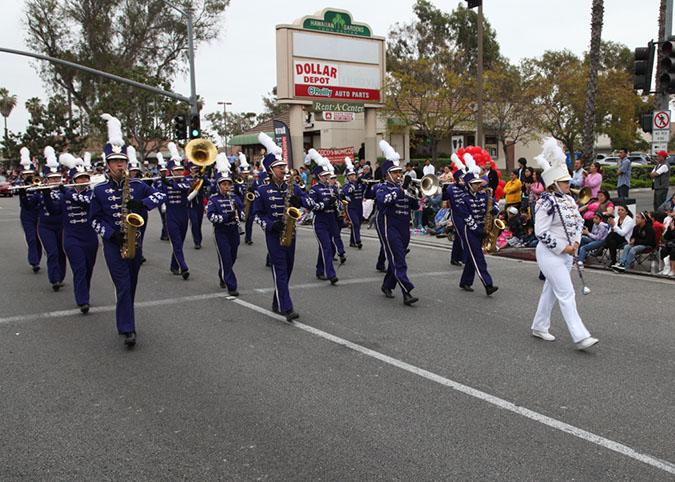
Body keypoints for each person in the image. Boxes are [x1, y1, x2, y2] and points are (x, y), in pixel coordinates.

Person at [89, 114, 166, 346]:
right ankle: (127, 329)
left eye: (123, 161)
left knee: (130, 285)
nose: (120, 165)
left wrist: (143, 203)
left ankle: (126, 316)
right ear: (108, 165)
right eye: (115, 162)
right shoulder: (100, 190)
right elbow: (93, 219)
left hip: (136, 243)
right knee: (122, 285)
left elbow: (160, 195)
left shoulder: (137, 184)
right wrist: (109, 233)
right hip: (114, 245)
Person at [531, 137, 598, 350]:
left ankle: (539, 326)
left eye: (569, 182)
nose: (570, 185)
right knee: (567, 292)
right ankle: (580, 336)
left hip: (568, 253)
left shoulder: (569, 200)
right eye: (565, 182)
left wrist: (576, 244)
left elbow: (578, 223)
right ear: (553, 184)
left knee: (551, 290)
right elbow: (540, 232)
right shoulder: (544, 201)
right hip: (550, 253)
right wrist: (562, 248)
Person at [252, 133, 317, 321]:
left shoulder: (293, 186)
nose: (283, 169)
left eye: (283, 166)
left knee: (287, 269)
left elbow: (310, 202)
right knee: (280, 269)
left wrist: (301, 200)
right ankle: (286, 308)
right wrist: (271, 225)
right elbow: (256, 215)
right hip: (274, 234)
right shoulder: (262, 190)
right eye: (279, 167)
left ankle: (277, 300)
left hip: (291, 233)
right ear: (271, 171)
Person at [44, 154, 99, 313]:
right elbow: (53, 211)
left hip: (89, 237)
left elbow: (86, 203)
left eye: (84, 177)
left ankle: (84, 293)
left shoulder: (93, 194)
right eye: (79, 178)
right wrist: (47, 196)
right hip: (71, 237)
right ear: (73, 180)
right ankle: (83, 300)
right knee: (79, 268)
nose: (83, 180)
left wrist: (66, 194)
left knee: (88, 268)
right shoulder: (63, 195)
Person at [376, 140, 419, 305]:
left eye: (399, 172)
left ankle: (387, 285)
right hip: (389, 226)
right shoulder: (382, 187)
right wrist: (401, 191)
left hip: (404, 227)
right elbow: (384, 201)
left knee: (396, 258)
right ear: (387, 174)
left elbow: (415, 206)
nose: (399, 175)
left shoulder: (404, 188)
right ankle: (406, 292)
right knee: (399, 259)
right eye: (395, 173)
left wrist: (416, 193)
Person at [450, 154, 499, 295]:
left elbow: (493, 204)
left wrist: (494, 209)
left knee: (472, 257)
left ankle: (465, 281)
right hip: (470, 231)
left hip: (482, 229)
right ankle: (488, 284)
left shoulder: (484, 195)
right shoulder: (463, 198)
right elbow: (467, 217)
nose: (479, 185)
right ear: (470, 185)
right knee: (478, 257)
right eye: (477, 183)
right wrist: (478, 230)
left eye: (479, 183)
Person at [21, 147, 66, 291]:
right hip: (45, 226)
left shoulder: (65, 192)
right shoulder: (39, 193)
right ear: (46, 180)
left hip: (61, 225)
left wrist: (48, 195)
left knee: (61, 252)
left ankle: (61, 275)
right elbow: (28, 206)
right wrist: (23, 194)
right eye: (53, 178)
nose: (56, 180)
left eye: (58, 178)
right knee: (52, 251)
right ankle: (55, 278)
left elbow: (55, 209)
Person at [206, 154, 244, 295]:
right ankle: (231, 285)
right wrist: (225, 217)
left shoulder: (235, 198)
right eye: (224, 184)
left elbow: (243, 213)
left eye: (228, 184)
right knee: (226, 257)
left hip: (234, 230)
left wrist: (239, 215)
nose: (227, 187)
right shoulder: (213, 199)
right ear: (219, 185)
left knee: (232, 256)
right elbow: (210, 216)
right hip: (221, 231)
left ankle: (223, 273)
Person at [306, 152, 343, 284]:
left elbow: (337, 203)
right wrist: (328, 203)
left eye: (328, 175)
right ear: (319, 176)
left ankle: (319, 270)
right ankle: (331, 274)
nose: (328, 178)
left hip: (331, 219)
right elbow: (313, 206)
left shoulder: (332, 188)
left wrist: (338, 201)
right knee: (326, 247)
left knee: (327, 246)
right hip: (320, 221)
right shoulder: (314, 189)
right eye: (325, 176)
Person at [158, 143, 191, 279]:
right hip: (171, 214)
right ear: (171, 171)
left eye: (180, 170)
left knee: (180, 242)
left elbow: (185, 188)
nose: (179, 172)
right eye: (176, 170)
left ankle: (174, 264)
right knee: (176, 242)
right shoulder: (163, 183)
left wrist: (171, 183)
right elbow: (158, 195)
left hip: (183, 213)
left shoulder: (185, 180)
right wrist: (163, 183)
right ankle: (183, 267)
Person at [14, 147, 42, 272]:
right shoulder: (19, 183)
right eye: (26, 174)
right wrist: (23, 187)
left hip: (38, 211)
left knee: (39, 238)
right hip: (26, 213)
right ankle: (34, 261)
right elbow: (14, 191)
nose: (28, 176)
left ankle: (38, 257)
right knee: (31, 237)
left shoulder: (38, 182)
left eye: (30, 174)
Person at [341, 157, 366, 249]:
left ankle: (352, 241)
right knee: (355, 223)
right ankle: (358, 241)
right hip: (351, 207)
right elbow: (350, 191)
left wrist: (366, 185)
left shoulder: (359, 183)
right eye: (351, 175)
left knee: (357, 224)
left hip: (359, 207)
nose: (353, 176)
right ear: (348, 176)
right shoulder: (347, 185)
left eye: (354, 175)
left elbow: (365, 193)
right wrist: (356, 184)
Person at [185, 161, 211, 250]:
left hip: (199, 203)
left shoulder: (201, 178)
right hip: (191, 203)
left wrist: (202, 176)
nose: (195, 170)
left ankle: (199, 239)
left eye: (196, 168)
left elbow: (208, 183)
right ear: (190, 169)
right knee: (194, 222)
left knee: (199, 223)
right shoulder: (187, 178)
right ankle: (196, 241)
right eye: (194, 168)